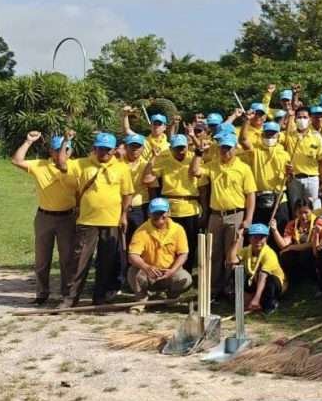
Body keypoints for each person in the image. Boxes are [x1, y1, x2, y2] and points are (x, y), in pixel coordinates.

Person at [57, 132, 135, 308]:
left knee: (106, 261)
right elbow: (61, 164)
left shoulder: (122, 168)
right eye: (100, 148)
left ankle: (100, 296)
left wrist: (124, 215)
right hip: (88, 220)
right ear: (95, 148)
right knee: (79, 260)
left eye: (107, 149)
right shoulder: (83, 163)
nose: (104, 152)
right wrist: (66, 141)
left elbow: (127, 193)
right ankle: (70, 298)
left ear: (114, 150)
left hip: (111, 221)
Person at [11, 131, 78, 305]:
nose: (62, 152)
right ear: (51, 151)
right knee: (42, 258)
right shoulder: (40, 165)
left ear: (70, 151)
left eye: (66, 149)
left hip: (68, 217)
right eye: (57, 149)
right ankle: (42, 293)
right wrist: (28, 142)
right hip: (44, 217)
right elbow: (16, 160)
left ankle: (66, 294)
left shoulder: (75, 167)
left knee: (67, 258)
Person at [191, 131, 257, 301]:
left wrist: (248, 218)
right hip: (216, 215)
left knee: (232, 254)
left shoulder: (244, 168)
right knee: (214, 254)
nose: (225, 151)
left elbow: (250, 195)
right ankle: (215, 288)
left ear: (235, 148)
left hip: (236, 215)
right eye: (223, 148)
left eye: (229, 148)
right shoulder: (213, 165)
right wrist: (199, 152)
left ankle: (230, 289)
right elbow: (194, 171)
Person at [142, 133, 202, 271]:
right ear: (171, 149)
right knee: (169, 242)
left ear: (187, 147)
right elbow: (147, 179)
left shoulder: (194, 160)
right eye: (177, 148)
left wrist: (204, 209)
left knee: (190, 243)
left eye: (183, 148)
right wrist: (153, 157)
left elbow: (203, 187)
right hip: (170, 209)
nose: (180, 151)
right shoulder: (164, 162)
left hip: (190, 207)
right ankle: (170, 271)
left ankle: (186, 273)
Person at [126, 198, 192, 313]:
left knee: (185, 279)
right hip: (149, 274)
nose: (159, 217)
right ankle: (141, 299)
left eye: (162, 213)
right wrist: (146, 267)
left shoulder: (178, 229)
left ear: (169, 212)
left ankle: (172, 298)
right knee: (133, 271)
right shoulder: (141, 231)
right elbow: (132, 255)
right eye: (155, 213)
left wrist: (172, 270)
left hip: (170, 272)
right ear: (148, 213)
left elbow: (183, 254)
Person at [239, 121, 292, 230]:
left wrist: (291, 174)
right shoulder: (255, 151)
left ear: (278, 136)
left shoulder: (284, 155)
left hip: (279, 200)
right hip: (259, 200)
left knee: (279, 231)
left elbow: (288, 180)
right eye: (267, 133)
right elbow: (243, 140)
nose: (270, 136)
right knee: (258, 233)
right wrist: (247, 121)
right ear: (262, 135)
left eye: (273, 134)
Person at [235, 223, 287, 314]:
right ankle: (248, 298)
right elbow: (231, 260)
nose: (258, 241)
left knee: (269, 279)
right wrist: (237, 241)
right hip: (256, 280)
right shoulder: (246, 250)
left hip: (273, 284)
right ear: (249, 238)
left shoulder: (269, 254)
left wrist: (256, 299)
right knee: (236, 271)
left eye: (262, 238)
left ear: (266, 239)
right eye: (255, 237)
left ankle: (270, 302)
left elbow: (263, 276)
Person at [271, 197, 322, 283]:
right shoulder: (292, 224)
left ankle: (314, 277)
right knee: (286, 256)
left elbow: (311, 244)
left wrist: (291, 247)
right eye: (300, 213)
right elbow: (284, 245)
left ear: (312, 210)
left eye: (306, 212)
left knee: (305, 256)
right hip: (299, 251)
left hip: (315, 252)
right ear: (295, 212)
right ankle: (296, 280)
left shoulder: (318, 222)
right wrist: (275, 230)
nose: (303, 216)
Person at [284, 105, 322, 205]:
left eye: (305, 117)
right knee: (296, 208)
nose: (302, 120)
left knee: (314, 208)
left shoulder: (317, 137)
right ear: (295, 119)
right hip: (294, 180)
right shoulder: (288, 135)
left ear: (310, 120)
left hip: (312, 179)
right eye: (299, 117)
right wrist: (287, 116)